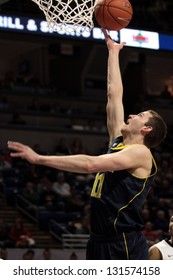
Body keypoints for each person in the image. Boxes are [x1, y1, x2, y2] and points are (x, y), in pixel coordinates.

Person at [7, 29, 167, 260]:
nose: (131, 115)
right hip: (98, 239)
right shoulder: (118, 141)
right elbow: (114, 95)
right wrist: (113, 52)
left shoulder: (141, 153)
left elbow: (91, 165)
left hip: (123, 242)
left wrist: (40, 159)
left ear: (146, 129)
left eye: (140, 115)